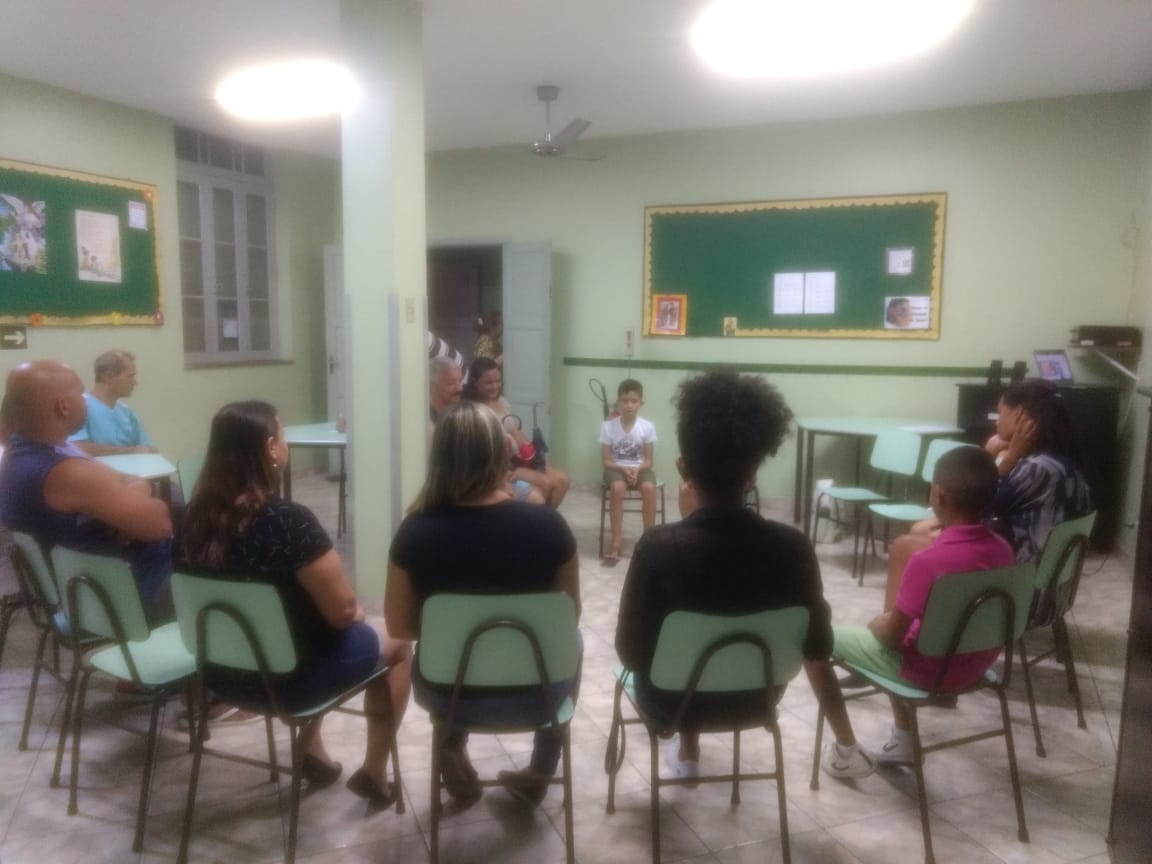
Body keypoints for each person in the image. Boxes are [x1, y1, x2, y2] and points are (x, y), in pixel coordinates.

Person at [182, 400, 412, 803]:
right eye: (283, 437)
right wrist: (355, 613)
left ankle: (312, 752)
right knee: (397, 642)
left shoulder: (188, 519)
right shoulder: (288, 522)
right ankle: (375, 772)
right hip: (292, 683)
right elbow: (342, 612)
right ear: (271, 448)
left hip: (220, 676)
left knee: (309, 634)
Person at [615, 369, 831, 781]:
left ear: (684, 468)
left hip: (671, 705)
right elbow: (820, 644)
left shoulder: (659, 549)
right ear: (754, 473)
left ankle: (687, 750)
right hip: (757, 701)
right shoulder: (794, 549)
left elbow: (631, 654)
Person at [386, 401, 581, 807]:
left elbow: (399, 625)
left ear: (439, 458)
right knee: (573, 642)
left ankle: (449, 744)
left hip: (449, 695)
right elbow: (570, 616)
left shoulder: (414, 532)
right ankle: (542, 768)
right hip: (539, 694)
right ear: (500, 455)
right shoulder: (548, 526)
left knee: (445, 648)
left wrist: (454, 628)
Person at [805, 446, 1015, 775]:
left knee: (814, 638)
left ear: (938, 494)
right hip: (977, 667)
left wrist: (878, 624)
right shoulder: (1004, 550)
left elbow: (891, 639)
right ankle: (903, 739)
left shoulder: (927, 562)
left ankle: (847, 752)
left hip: (927, 672)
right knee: (911, 633)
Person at [880, 380, 1090, 611]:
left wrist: (998, 457)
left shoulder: (1037, 469)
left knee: (905, 547)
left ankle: (898, 623)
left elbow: (975, 503)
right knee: (922, 531)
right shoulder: (1062, 465)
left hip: (1019, 591)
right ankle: (927, 613)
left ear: (1020, 415)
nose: (996, 420)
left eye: (1001, 413)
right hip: (1045, 587)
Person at [0, 360, 174, 621]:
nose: (86, 399)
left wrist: (132, 494)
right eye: (81, 392)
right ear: (63, 406)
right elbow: (159, 524)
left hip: (82, 589)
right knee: (222, 558)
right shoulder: (65, 471)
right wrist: (135, 500)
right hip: (120, 597)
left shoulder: (23, 452)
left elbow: (127, 479)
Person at [463, 357, 570, 507]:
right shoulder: (474, 411)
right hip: (503, 467)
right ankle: (538, 518)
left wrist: (536, 457)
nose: (495, 386)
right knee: (544, 484)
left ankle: (546, 518)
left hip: (520, 460)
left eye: (498, 381)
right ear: (475, 382)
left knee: (563, 480)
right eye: (488, 383)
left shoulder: (501, 401)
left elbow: (515, 431)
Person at [600, 378, 657, 565]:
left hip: (640, 468)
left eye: (634, 401)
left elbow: (649, 461)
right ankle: (616, 542)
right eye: (625, 401)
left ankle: (649, 540)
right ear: (618, 401)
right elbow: (606, 462)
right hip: (616, 468)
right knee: (617, 488)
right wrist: (623, 469)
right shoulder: (608, 426)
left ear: (641, 403)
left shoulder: (647, 427)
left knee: (649, 488)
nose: (629, 405)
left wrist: (636, 469)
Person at [69, 350, 156, 456]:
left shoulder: (127, 412)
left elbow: (146, 449)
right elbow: (76, 448)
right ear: (108, 376)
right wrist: (131, 451)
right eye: (130, 376)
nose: (135, 382)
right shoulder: (79, 407)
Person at [429, 356, 463, 425]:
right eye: (451, 383)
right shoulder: (421, 421)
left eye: (460, 381)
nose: (459, 388)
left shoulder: (462, 417)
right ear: (433, 387)